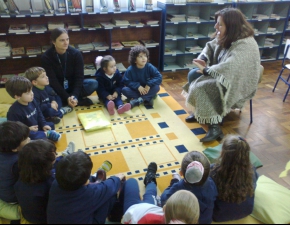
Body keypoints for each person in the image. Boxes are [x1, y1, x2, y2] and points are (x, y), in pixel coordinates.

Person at [183, 8, 261, 142]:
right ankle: (199, 113)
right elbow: (210, 45)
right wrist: (204, 59)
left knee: (201, 87)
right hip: (225, 74)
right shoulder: (230, 34)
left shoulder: (246, 43)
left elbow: (231, 66)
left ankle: (215, 127)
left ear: (231, 25)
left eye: (219, 24)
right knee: (192, 75)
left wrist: (207, 70)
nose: (216, 26)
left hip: (237, 82)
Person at [47, 151, 125, 224]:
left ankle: (95, 178)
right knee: (110, 195)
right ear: (85, 182)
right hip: (87, 215)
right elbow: (108, 188)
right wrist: (117, 178)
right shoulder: (88, 193)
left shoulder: (55, 182)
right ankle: (114, 217)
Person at [121, 163, 200, 224]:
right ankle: (150, 179)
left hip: (136, 210)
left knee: (132, 182)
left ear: (164, 208)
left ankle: (150, 180)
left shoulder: (148, 218)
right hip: (147, 209)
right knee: (150, 193)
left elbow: (127, 218)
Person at [41, 27, 98, 108]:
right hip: (57, 88)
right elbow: (53, 81)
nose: (66, 43)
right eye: (62, 40)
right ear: (54, 42)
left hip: (72, 86)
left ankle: (71, 100)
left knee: (93, 83)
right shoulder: (46, 57)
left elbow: (79, 77)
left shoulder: (76, 54)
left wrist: (74, 95)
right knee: (45, 89)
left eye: (67, 39)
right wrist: (67, 97)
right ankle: (74, 101)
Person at [209, 135, 259, 222]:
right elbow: (255, 183)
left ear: (222, 154)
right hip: (247, 211)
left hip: (219, 215)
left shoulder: (213, 172)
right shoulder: (252, 170)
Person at [161, 151, 218, 224]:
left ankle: (175, 178)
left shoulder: (178, 188)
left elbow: (164, 200)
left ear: (181, 173)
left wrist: (174, 182)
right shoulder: (211, 184)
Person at [5, 76, 61, 142]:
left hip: (37, 127)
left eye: (31, 90)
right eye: (28, 93)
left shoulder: (32, 100)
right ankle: (45, 135)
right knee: (32, 138)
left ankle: (45, 135)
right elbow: (15, 132)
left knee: (50, 125)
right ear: (17, 96)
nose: (32, 94)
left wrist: (43, 124)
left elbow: (39, 113)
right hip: (27, 132)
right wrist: (28, 129)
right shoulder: (13, 112)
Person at [0, 121, 30, 221]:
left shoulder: (4, 150)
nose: (29, 139)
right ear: (14, 149)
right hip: (12, 198)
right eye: (26, 139)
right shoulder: (17, 162)